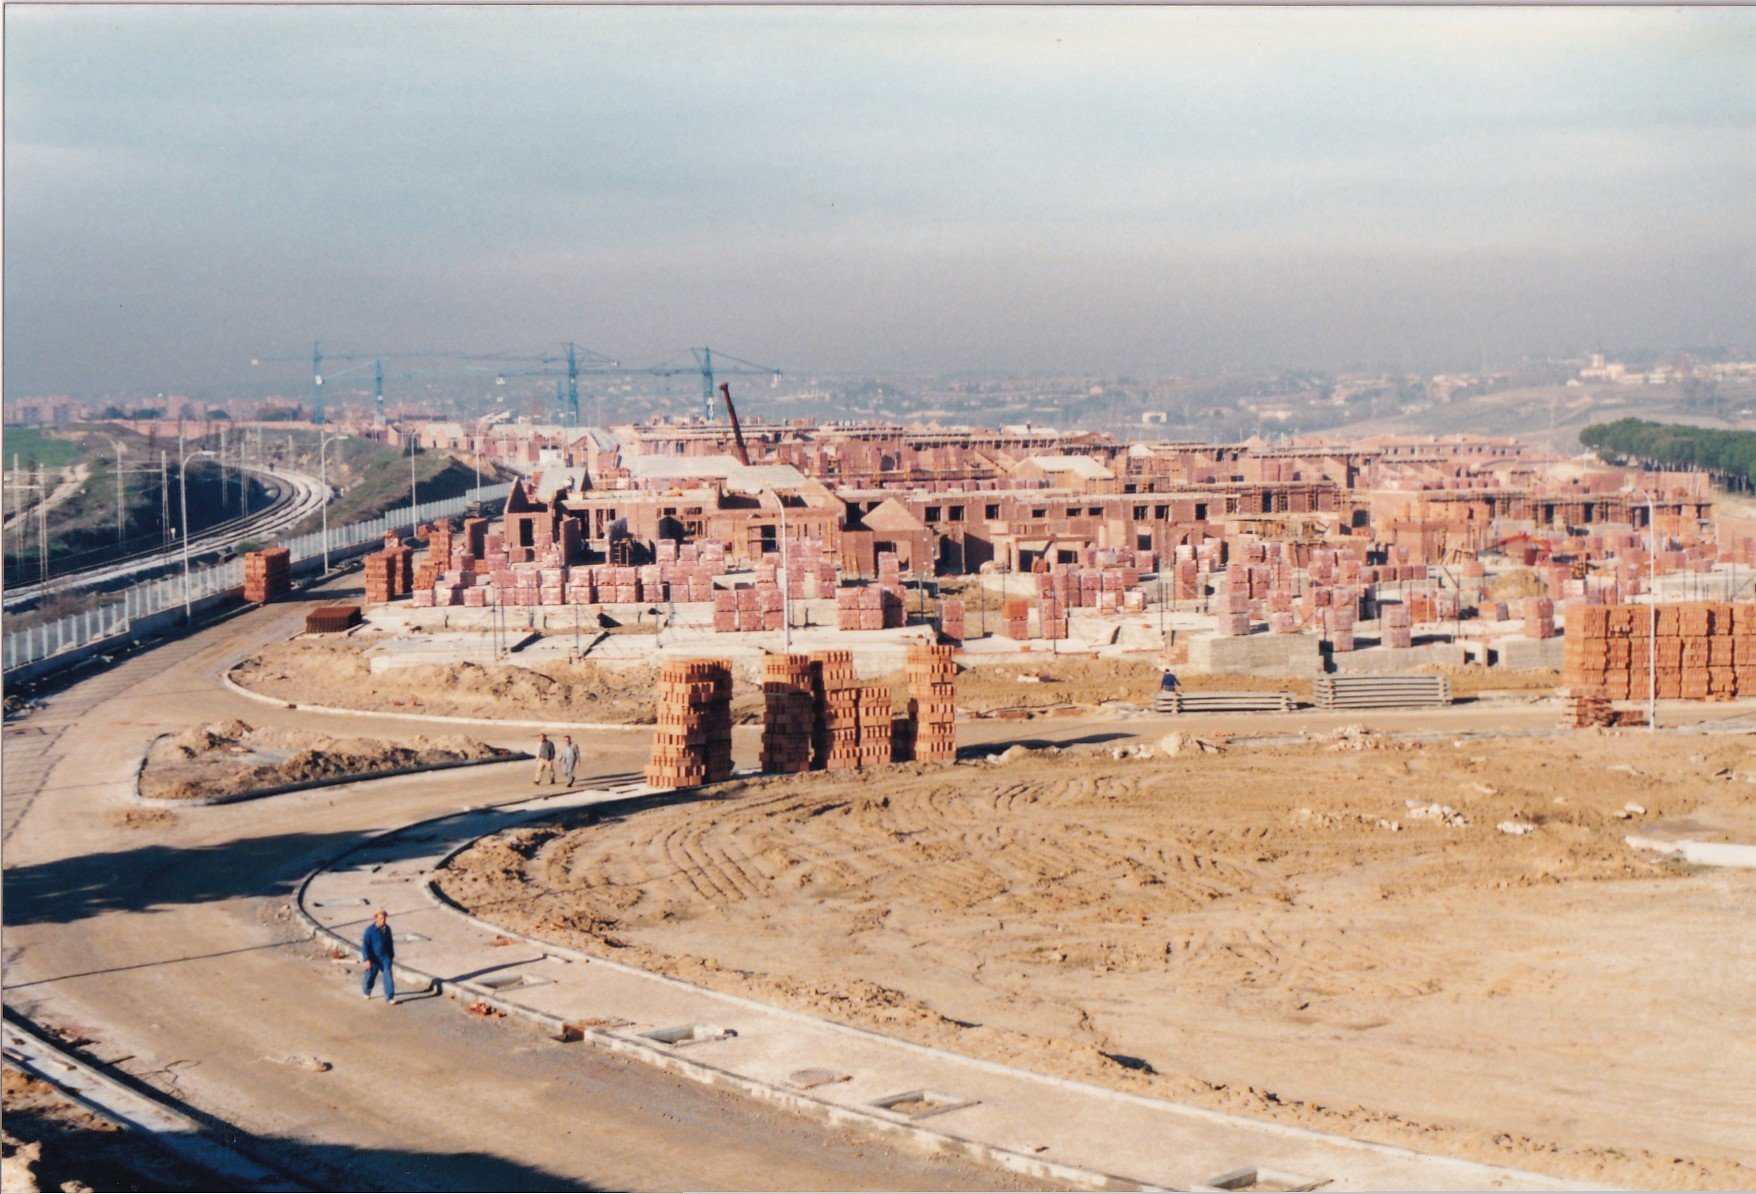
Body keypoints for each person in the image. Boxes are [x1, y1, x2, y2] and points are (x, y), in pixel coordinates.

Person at [361, 909, 396, 1004]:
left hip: (384, 957)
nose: (383, 920)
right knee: (370, 976)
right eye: (380, 918)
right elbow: (365, 945)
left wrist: (391, 956)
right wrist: (366, 959)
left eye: (384, 918)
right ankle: (366, 991)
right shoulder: (369, 930)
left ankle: (390, 997)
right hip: (373, 957)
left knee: (388, 975)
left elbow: (390, 943)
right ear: (376, 918)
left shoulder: (387, 929)